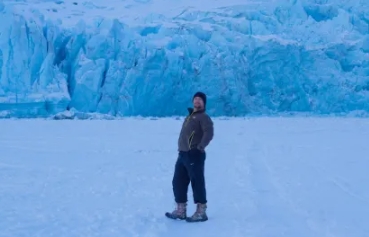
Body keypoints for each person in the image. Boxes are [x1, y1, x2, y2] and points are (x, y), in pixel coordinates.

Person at [165, 92, 214, 222]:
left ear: (204, 103)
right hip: (183, 154)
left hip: (194, 154)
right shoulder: (191, 116)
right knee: (178, 182)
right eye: (195, 99)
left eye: (200, 100)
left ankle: (201, 212)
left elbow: (209, 133)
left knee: (197, 182)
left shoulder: (203, 117)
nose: (197, 101)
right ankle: (181, 210)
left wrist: (200, 147)